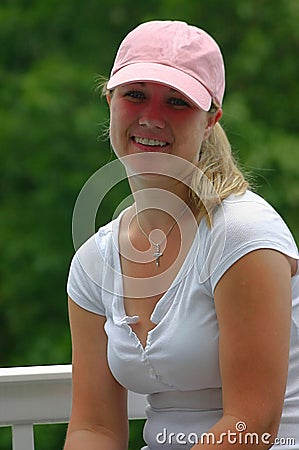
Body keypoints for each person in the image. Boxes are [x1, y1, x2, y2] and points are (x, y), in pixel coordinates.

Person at [64, 20, 299, 450]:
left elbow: (253, 425)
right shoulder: (93, 262)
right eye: (135, 95)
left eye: (177, 101)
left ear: (211, 121)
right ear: (110, 101)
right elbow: (93, 428)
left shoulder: (241, 236)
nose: (152, 117)